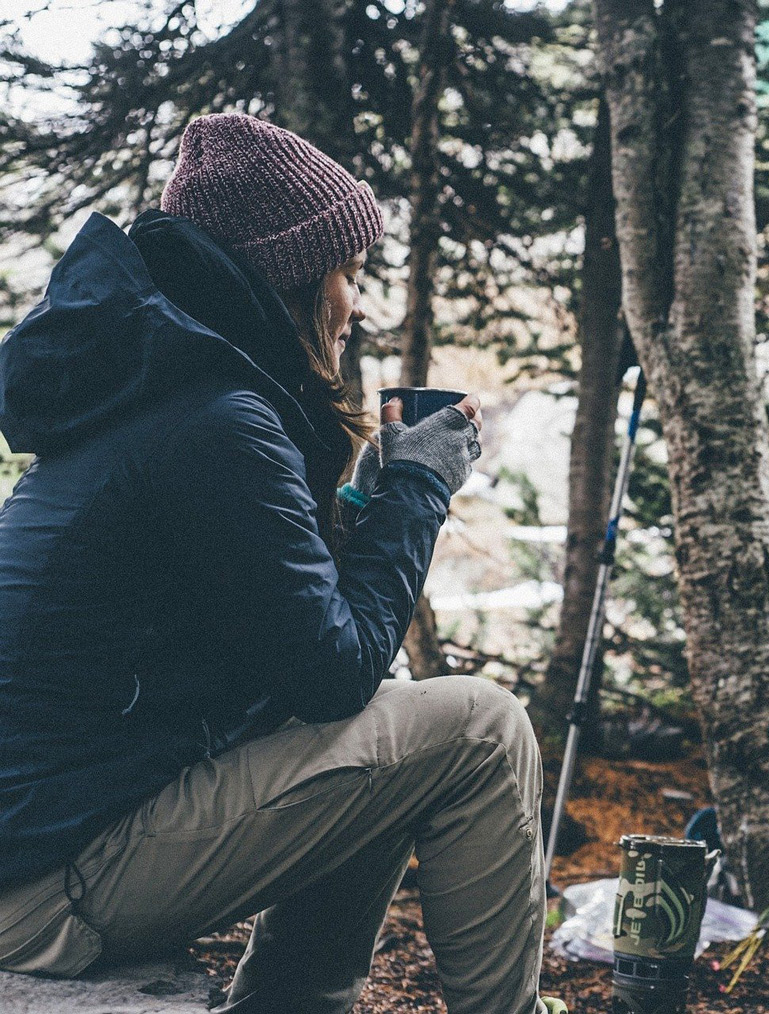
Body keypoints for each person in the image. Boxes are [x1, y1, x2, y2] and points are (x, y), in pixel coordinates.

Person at [0, 113, 561, 1014]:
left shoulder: (157, 393)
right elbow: (332, 673)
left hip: (37, 848)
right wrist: (416, 490)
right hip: (46, 886)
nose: (357, 303)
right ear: (289, 275)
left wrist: (367, 503)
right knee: (480, 727)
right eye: (346, 274)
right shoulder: (218, 419)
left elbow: (303, 660)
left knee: (392, 729)